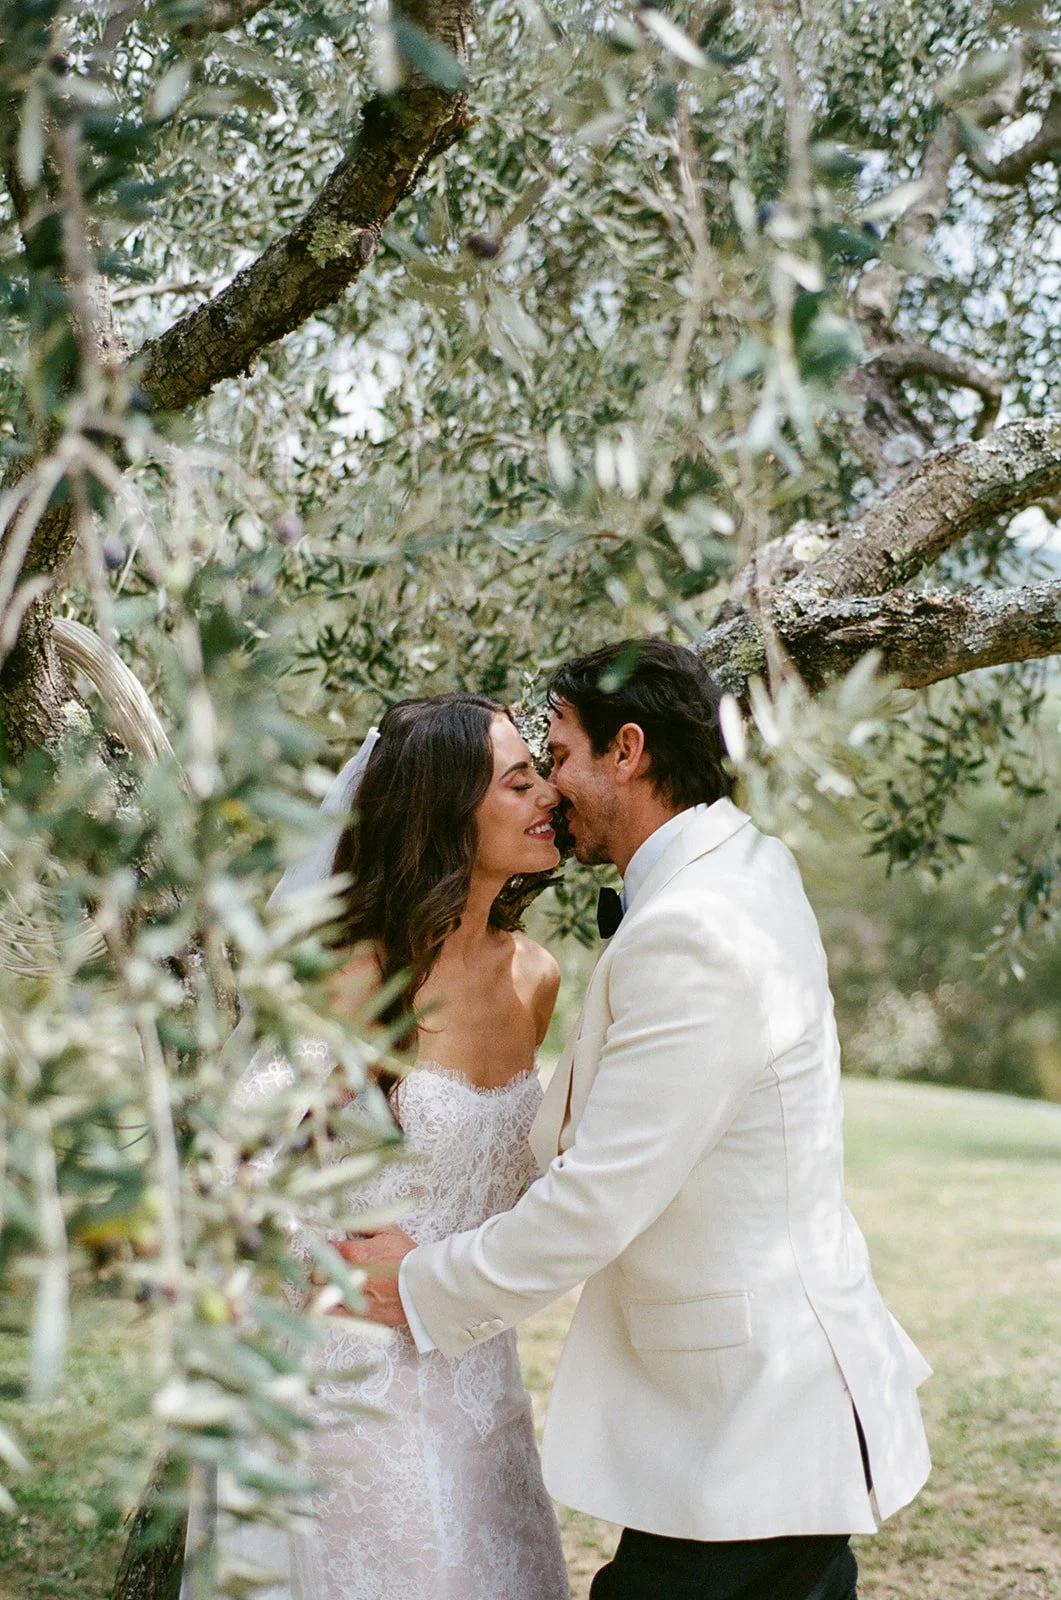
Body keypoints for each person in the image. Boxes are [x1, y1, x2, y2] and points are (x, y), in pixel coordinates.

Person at [345, 640, 933, 1600]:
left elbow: (599, 1197)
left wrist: (418, 1284)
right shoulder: (742, 865)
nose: (552, 789)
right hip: (748, 1427)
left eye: (561, 755)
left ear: (628, 751)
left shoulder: (695, 928)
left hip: (753, 1423)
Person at [229, 693, 571, 1600]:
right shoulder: (356, 974)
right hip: (354, 1379)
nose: (549, 797)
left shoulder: (537, 978)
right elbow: (243, 1169)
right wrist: (324, 1275)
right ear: (446, 810)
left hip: (477, 1370)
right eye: (519, 780)